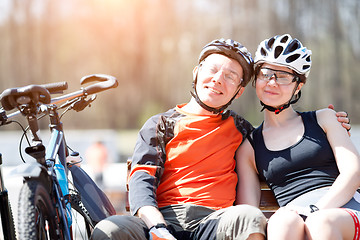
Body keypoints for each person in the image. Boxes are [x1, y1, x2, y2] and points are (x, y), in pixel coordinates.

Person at [90, 38, 349, 240]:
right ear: (196, 72)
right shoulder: (160, 124)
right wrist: (156, 225)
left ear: (238, 92)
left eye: (230, 77)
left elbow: (283, 135)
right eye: (213, 70)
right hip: (159, 219)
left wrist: (330, 125)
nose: (218, 80)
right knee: (109, 229)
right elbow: (141, 181)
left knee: (248, 217)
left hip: (214, 223)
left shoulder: (241, 130)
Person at [236, 34, 360, 240]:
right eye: (265, 73)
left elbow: (353, 173)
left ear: (298, 86)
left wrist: (315, 210)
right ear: (256, 78)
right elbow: (249, 213)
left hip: (342, 210)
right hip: (294, 218)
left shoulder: (324, 119)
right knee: (282, 222)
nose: (272, 82)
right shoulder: (249, 148)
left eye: (283, 76)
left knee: (321, 223)